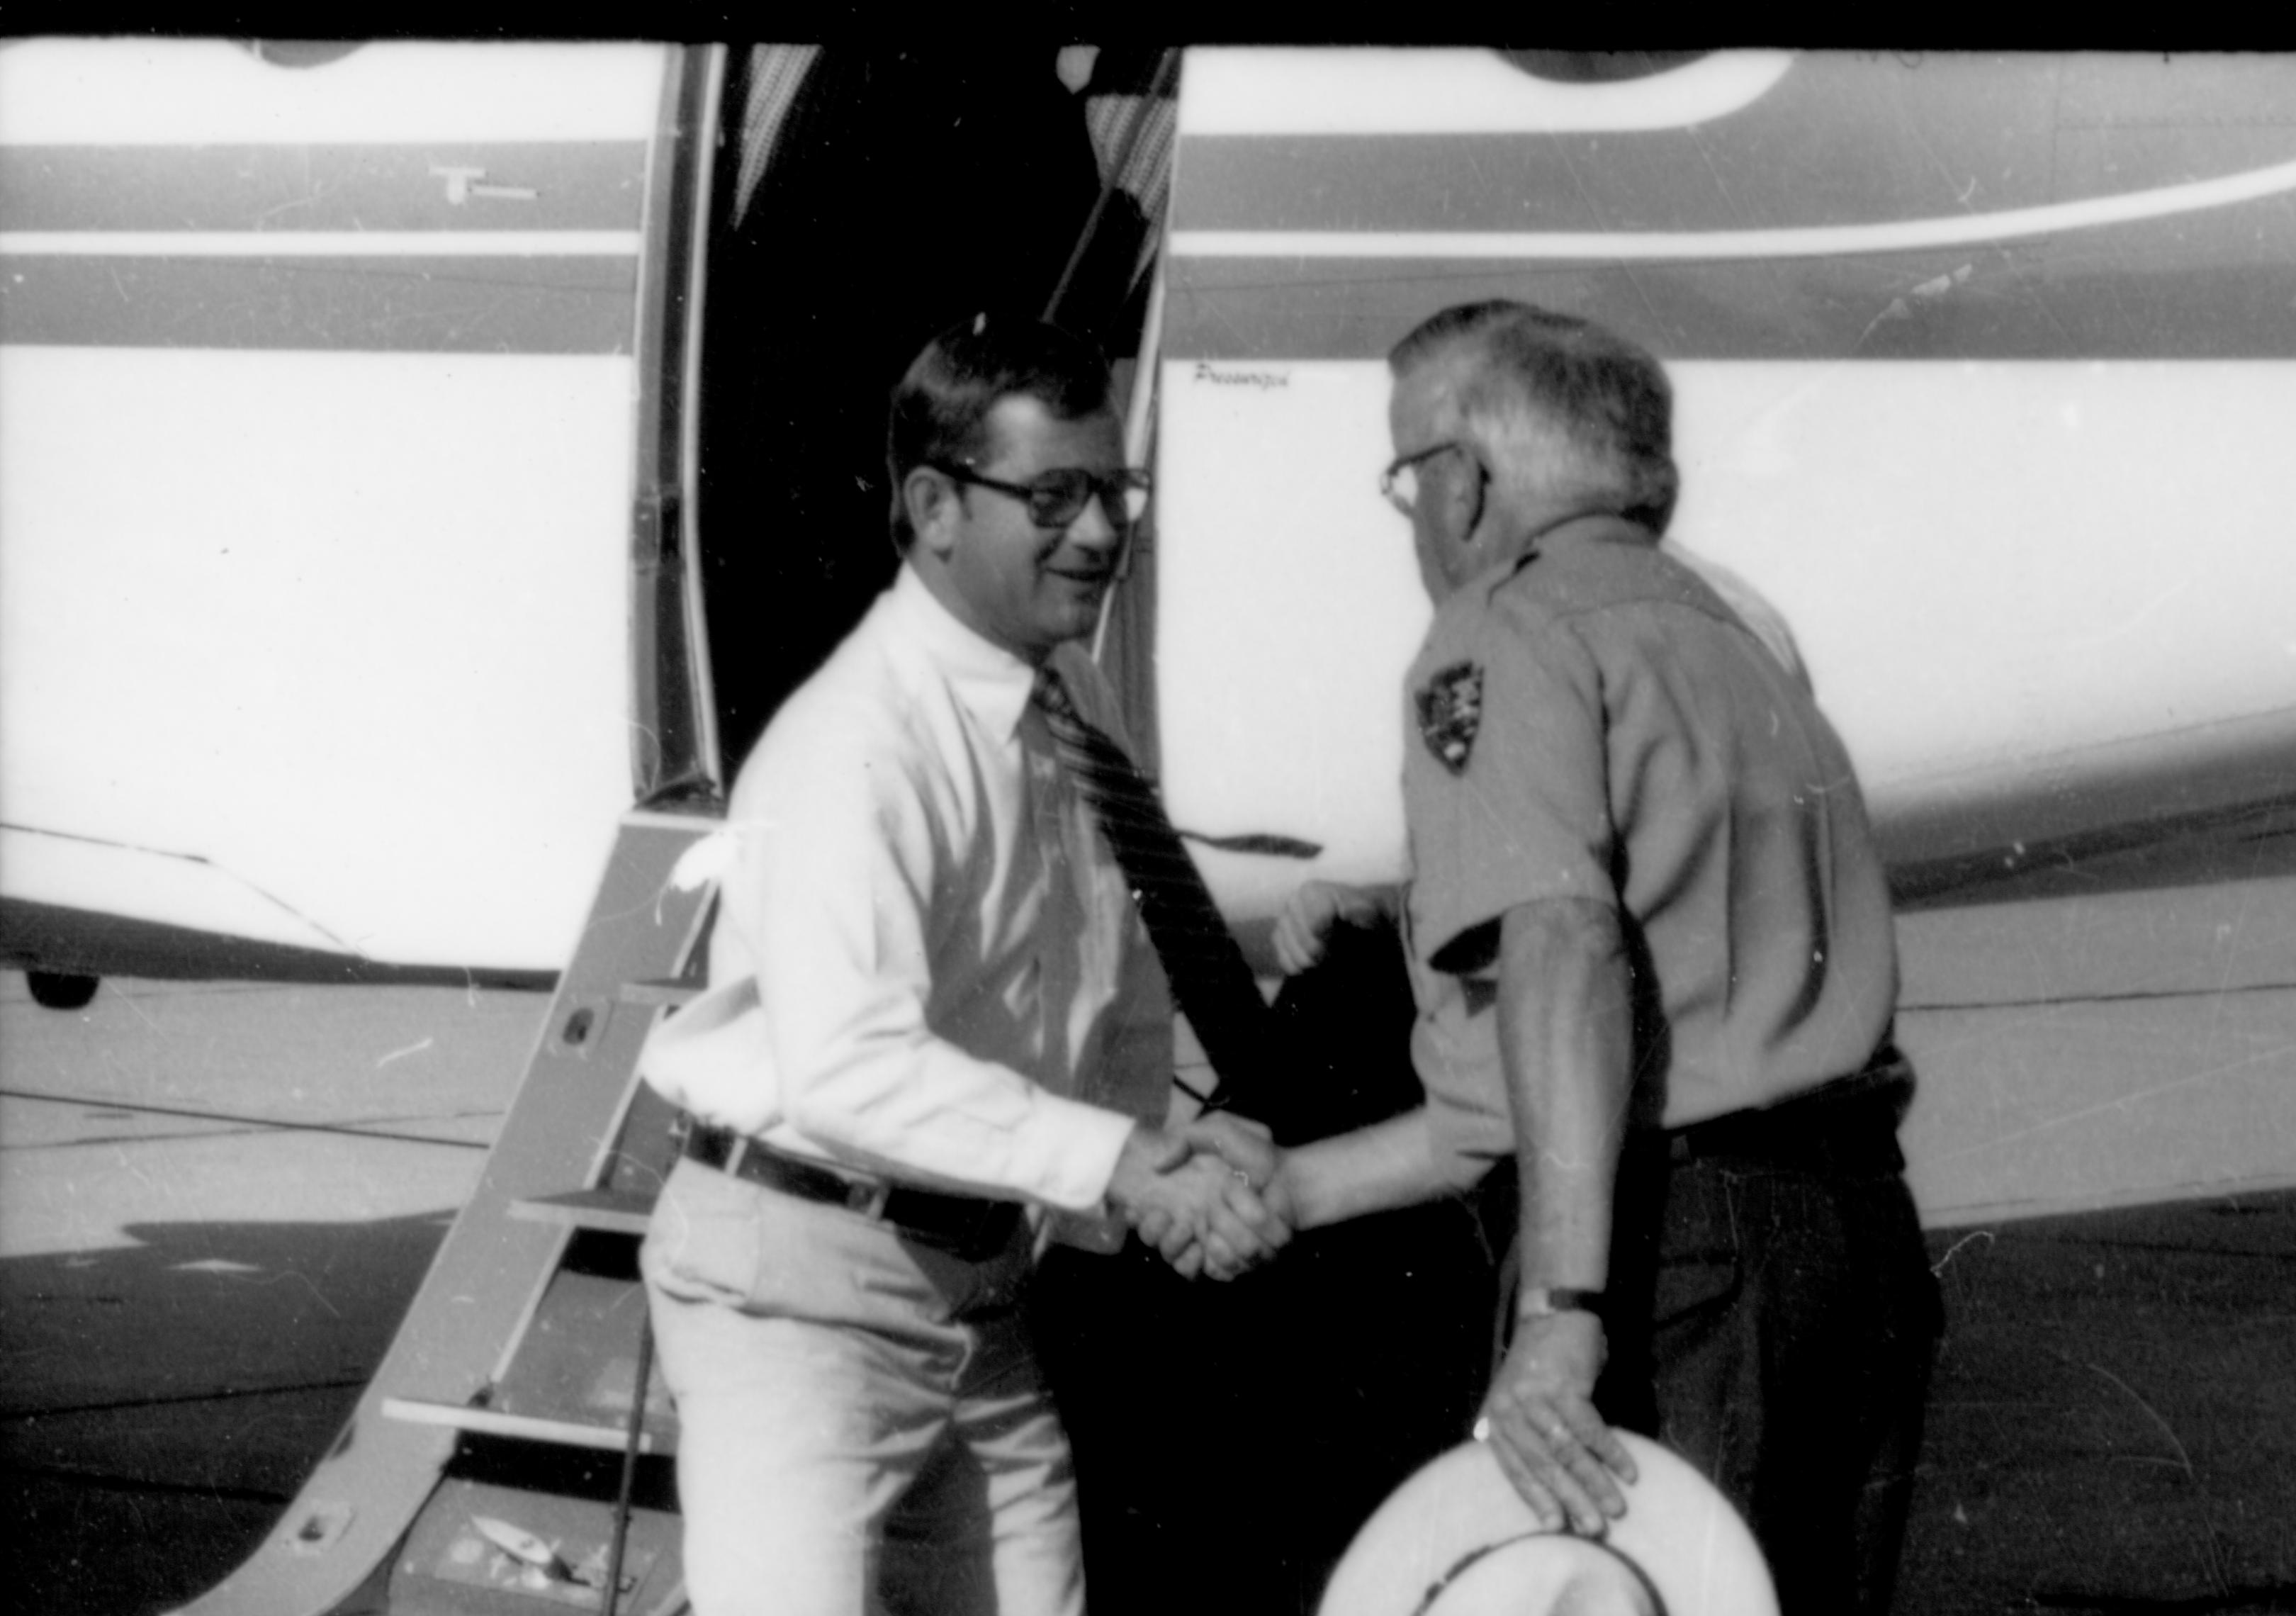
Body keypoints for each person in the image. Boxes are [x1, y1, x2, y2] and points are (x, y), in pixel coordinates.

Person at [1268, 299, 1940, 1615]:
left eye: (1410, 475)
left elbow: (1566, 956)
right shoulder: (1728, 635)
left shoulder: (1504, 636)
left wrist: (1564, 1311)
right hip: (1852, 1240)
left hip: (1674, 1256)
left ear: (1466, 483)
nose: (1414, 514)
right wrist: (1295, 1186)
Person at [635, 313, 1285, 1616]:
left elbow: (1104, 982)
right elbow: (849, 1069)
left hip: (984, 1292)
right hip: (800, 1298)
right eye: (1055, 495)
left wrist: (1162, 1164)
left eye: (1116, 491)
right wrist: (1124, 1167)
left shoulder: (1072, 703)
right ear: (935, 506)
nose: (1101, 533)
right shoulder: (858, 747)